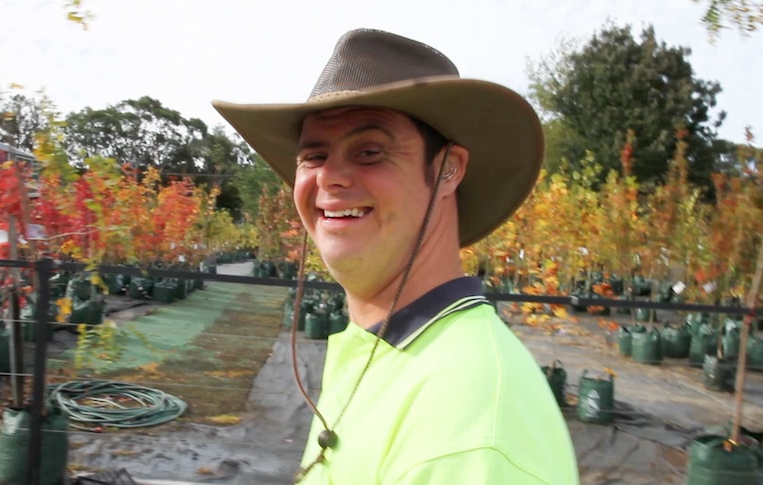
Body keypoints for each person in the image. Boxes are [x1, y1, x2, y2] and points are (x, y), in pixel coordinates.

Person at [213, 28, 579, 485]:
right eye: (314, 156)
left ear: (448, 169)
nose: (330, 178)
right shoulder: (379, 346)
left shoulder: (469, 421)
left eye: (369, 151)